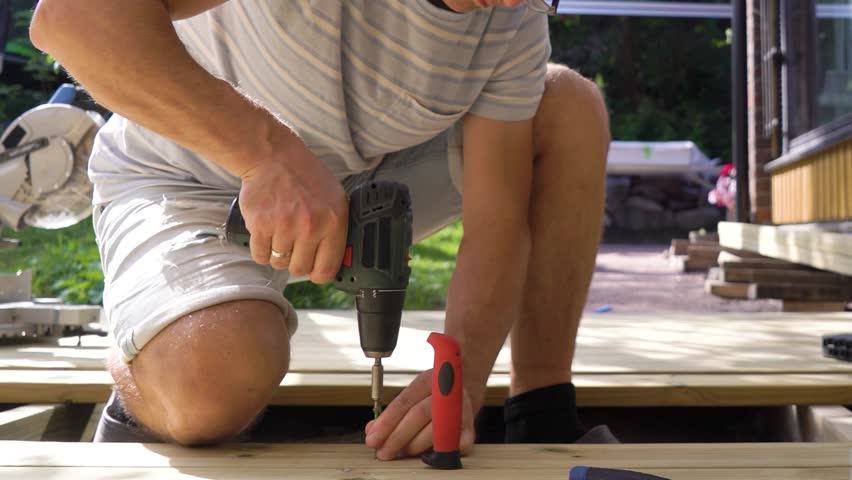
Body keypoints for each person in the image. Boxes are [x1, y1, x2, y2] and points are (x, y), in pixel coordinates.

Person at [30, 0, 614, 458]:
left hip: (357, 176)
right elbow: (72, 19)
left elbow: (498, 220)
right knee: (209, 385)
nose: (516, 0)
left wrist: (461, 374)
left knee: (567, 106)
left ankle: (543, 415)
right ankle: (147, 372)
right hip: (184, 175)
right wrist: (269, 157)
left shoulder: (513, 20)